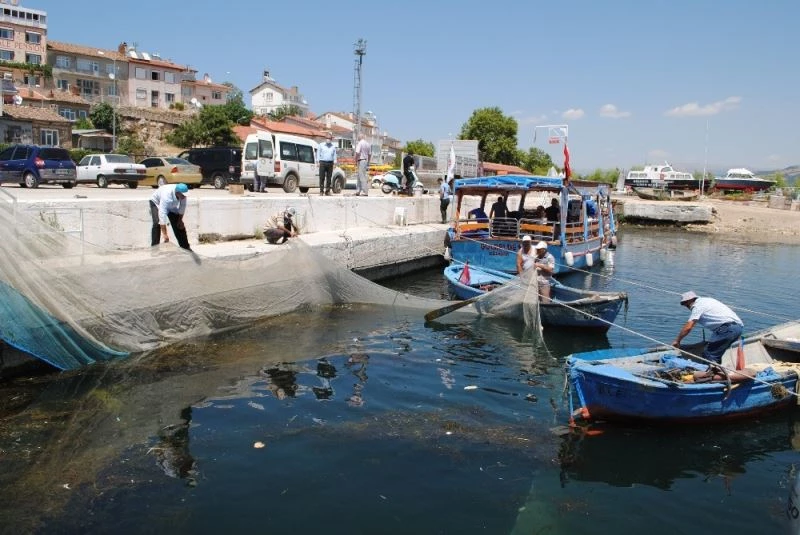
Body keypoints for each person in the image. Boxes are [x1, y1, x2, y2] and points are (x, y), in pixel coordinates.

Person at [672, 291, 744, 366]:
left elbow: (688, 327)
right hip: (738, 328)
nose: (686, 306)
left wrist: (677, 340)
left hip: (727, 329)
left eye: (685, 303)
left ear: (691, 300)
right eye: (683, 304)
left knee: (709, 353)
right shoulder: (707, 300)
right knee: (716, 352)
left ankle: (710, 375)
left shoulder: (697, 306)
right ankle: (717, 371)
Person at [150, 183, 191, 250]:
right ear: (177, 193)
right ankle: (154, 249)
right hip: (156, 202)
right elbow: (162, 215)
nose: (184, 197)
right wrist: (165, 234)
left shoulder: (183, 195)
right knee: (157, 223)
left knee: (179, 224)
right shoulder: (166, 196)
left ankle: (186, 247)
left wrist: (180, 220)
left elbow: (182, 207)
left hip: (171, 205)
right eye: (183, 195)